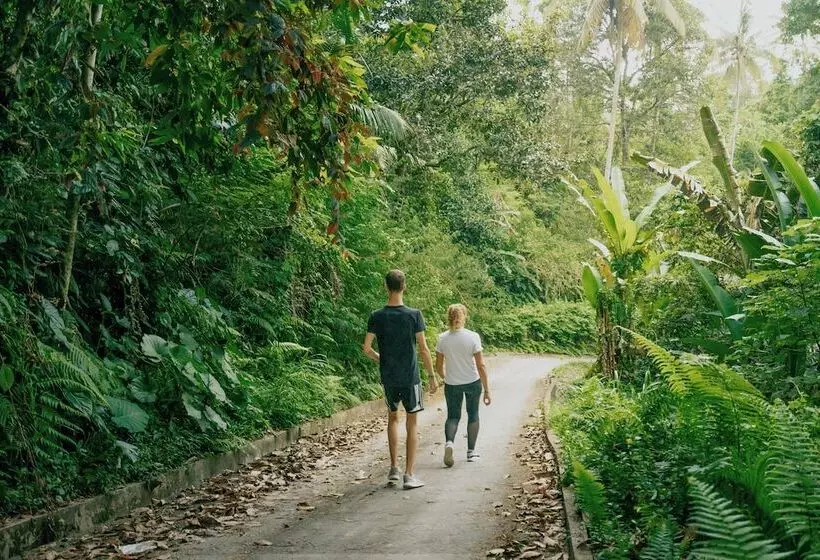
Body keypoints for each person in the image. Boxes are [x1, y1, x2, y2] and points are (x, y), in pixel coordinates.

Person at [363, 269, 437, 490]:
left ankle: (393, 469)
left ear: (386, 287)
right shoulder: (414, 315)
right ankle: (409, 475)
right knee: (412, 423)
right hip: (411, 377)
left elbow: (367, 349)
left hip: (389, 377)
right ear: (404, 287)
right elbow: (423, 349)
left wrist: (382, 360)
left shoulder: (376, 315)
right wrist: (432, 376)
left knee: (392, 418)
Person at [435, 304, 490, 467]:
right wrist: (487, 389)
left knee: (453, 416)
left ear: (449, 318)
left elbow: (438, 366)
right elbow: (481, 365)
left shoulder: (442, 338)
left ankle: (449, 443)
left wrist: (447, 377)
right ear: (464, 316)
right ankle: (471, 452)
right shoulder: (473, 337)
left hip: (452, 384)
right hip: (472, 382)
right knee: (473, 415)